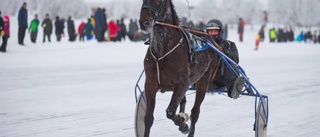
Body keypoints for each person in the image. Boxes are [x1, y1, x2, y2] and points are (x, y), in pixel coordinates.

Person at [206, 19, 245, 99]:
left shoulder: (229, 44)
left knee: (230, 65)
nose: (213, 34)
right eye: (211, 31)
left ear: (220, 32)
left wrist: (224, 51)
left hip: (221, 78)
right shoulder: (203, 44)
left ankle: (233, 90)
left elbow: (235, 59)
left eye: (215, 31)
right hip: (204, 78)